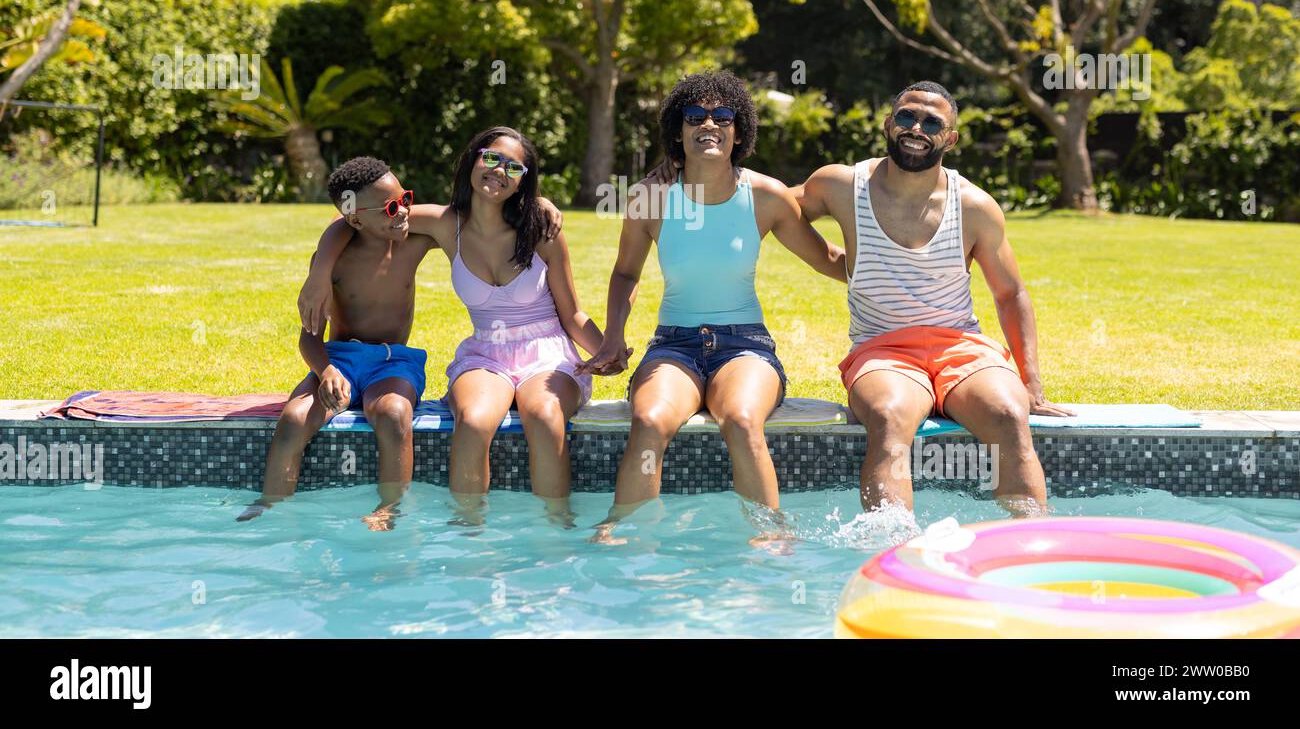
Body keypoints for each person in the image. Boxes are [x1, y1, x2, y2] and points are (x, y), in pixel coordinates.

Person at [296, 128, 616, 525]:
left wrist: (605, 349)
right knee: (474, 420)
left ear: (524, 180)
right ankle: (469, 535)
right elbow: (354, 217)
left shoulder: (542, 230)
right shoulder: (447, 224)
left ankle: (556, 527)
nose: (500, 171)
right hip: (487, 355)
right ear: (474, 158)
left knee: (544, 414)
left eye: (514, 167)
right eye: (493, 158)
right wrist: (320, 271)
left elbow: (572, 315)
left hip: (546, 350)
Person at [579, 71, 846, 544]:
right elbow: (625, 274)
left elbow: (827, 260)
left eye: (722, 116)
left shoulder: (765, 196)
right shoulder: (651, 197)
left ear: (738, 131)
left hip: (745, 348)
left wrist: (899, 264)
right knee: (649, 420)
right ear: (677, 132)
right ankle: (621, 532)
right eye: (695, 116)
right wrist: (613, 336)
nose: (709, 123)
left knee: (741, 420)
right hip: (673, 347)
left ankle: (770, 534)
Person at [794, 80, 1075, 515]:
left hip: (961, 348)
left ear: (950, 138)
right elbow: (774, 207)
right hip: (882, 350)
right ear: (889, 123)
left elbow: (1010, 291)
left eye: (932, 122)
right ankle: (889, 552)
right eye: (906, 116)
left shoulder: (974, 206)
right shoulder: (841, 186)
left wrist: (1031, 381)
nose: (916, 128)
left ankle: (1028, 546)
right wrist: (830, 259)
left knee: (1008, 413)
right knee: (888, 418)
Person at [238, 156, 434, 530]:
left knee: (393, 414)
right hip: (339, 360)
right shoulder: (335, 262)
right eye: (392, 207)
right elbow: (309, 335)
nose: (404, 211)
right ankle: (271, 504)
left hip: (393, 363)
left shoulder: (415, 243)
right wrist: (324, 369)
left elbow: (464, 217)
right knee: (294, 418)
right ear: (357, 220)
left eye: (406, 198)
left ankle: (389, 508)